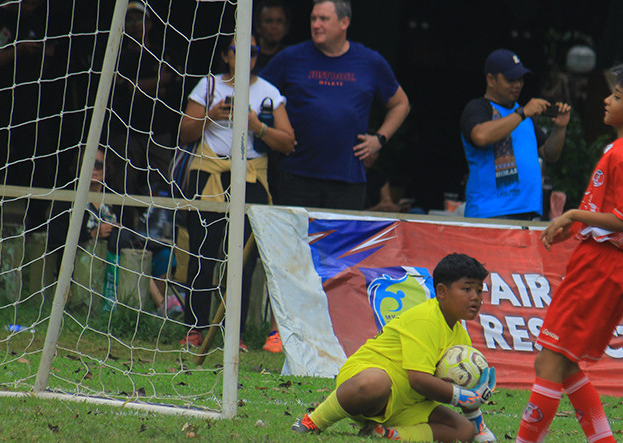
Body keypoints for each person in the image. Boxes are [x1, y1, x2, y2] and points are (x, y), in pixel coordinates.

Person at [468, 61, 623, 443]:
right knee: (560, 362)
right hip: (599, 263)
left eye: (616, 96)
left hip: (603, 267)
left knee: (550, 360)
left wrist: (575, 214)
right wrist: (575, 227)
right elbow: (614, 213)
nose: (606, 100)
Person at [291, 253, 498, 443]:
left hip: (406, 404)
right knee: (374, 383)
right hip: (366, 384)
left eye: (479, 291)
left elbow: (464, 390)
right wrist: (462, 396)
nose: (475, 297)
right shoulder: (425, 319)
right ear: (442, 291)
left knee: (463, 430)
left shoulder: (462, 338)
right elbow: (418, 379)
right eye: (467, 289)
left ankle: (388, 434)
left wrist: (477, 420)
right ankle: (314, 420)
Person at [176, 35, 295, 349]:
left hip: (250, 175)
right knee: (203, 252)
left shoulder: (268, 92)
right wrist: (211, 115)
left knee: (243, 260)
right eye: (238, 50)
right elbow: (184, 132)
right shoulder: (209, 86)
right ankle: (195, 328)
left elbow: (288, 142)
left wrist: (258, 126)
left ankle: (234, 335)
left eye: (252, 51)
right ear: (226, 55)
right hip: (209, 172)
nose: (245, 56)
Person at [260, 0, 410, 210]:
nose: (316, 25)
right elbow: (257, 94)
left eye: (323, 19)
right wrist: (280, 132)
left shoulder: (370, 61)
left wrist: (379, 139)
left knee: (342, 233)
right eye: (313, 18)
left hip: (348, 179)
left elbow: (401, 104)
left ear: (344, 22)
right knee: (294, 233)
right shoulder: (290, 57)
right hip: (296, 175)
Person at [0, 0, 59, 239]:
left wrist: (44, 53)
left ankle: (35, 223)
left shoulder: (36, 22)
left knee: (39, 163)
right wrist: (17, 50)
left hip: (30, 107)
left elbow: (45, 63)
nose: (30, 6)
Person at [460, 48, 571, 220]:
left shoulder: (523, 116)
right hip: (491, 213)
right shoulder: (478, 108)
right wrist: (522, 113)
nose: (518, 85)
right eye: (510, 79)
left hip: (526, 211)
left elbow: (549, 154)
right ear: (491, 80)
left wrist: (560, 128)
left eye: (520, 79)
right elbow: (480, 136)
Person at [106, 0, 183, 210]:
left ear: (149, 24)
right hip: (126, 131)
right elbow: (125, 90)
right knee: (123, 184)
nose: (134, 25)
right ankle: (122, 225)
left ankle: (157, 226)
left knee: (162, 184)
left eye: (139, 19)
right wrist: (158, 82)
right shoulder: (117, 56)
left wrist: (140, 87)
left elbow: (173, 88)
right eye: (129, 20)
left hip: (159, 131)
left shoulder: (164, 54)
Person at [253, 0, 290, 74]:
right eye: (269, 21)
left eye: (279, 21)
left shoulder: (289, 56)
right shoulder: (250, 55)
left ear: (286, 27)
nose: (274, 26)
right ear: (258, 26)